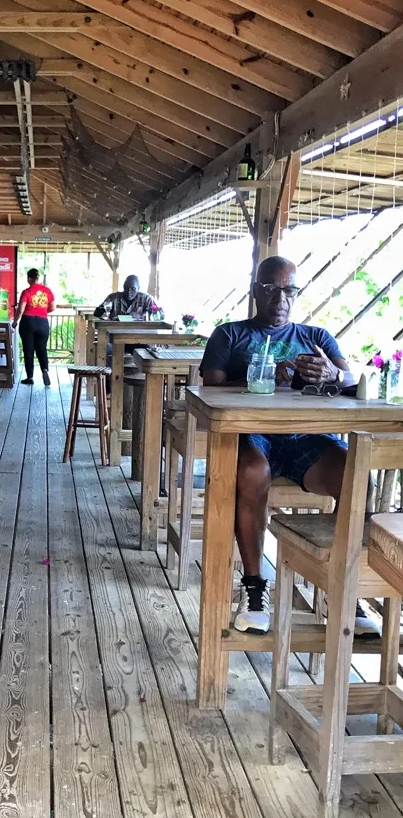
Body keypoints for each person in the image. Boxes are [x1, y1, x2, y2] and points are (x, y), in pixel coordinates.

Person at [200, 255, 377, 638]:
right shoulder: (229, 334)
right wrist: (260, 374)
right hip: (252, 434)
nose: (280, 298)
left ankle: (345, 587)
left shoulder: (317, 338)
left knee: (358, 478)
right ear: (255, 292)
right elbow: (209, 387)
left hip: (306, 436)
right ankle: (253, 588)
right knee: (250, 472)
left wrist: (334, 373)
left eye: (288, 289)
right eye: (270, 288)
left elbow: (351, 382)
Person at [12, 268, 55, 386]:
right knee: (42, 348)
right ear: (38, 278)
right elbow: (52, 307)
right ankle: (45, 370)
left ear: (29, 278)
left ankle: (30, 377)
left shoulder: (27, 292)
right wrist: (41, 311)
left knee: (28, 350)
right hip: (43, 323)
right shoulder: (48, 291)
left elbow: (20, 309)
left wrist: (15, 322)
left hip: (28, 322)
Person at [94, 274, 161, 321]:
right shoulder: (113, 298)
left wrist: (142, 315)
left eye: (133, 288)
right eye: (126, 288)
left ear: (138, 288)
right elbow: (97, 313)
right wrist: (101, 311)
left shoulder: (146, 299)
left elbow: (161, 315)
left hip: (140, 333)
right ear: (123, 286)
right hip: (115, 333)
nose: (129, 291)